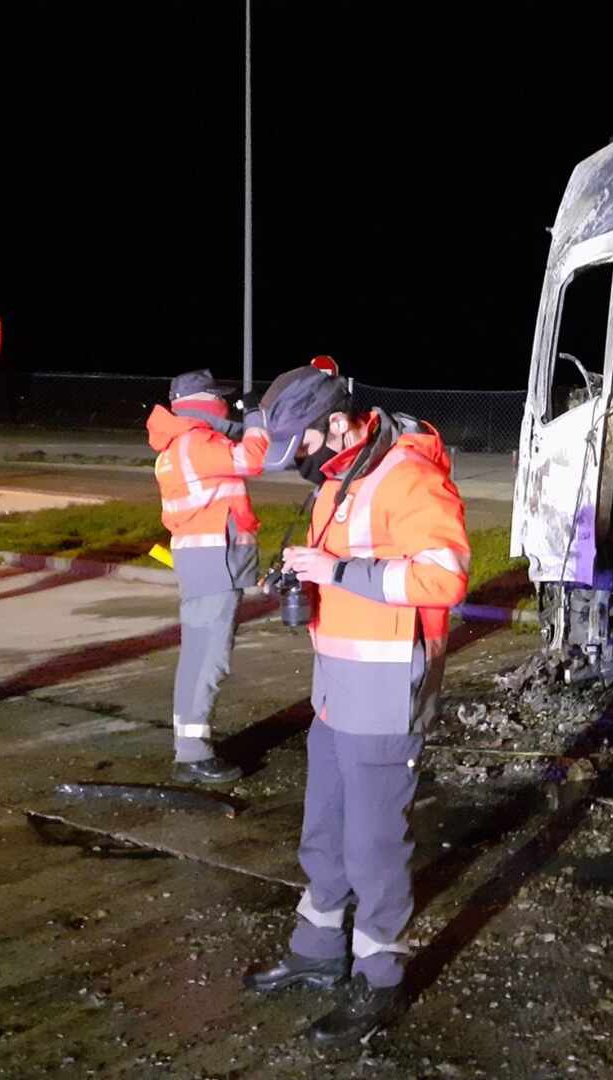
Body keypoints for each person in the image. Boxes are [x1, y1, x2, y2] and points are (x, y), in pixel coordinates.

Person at [242, 366, 470, 1048]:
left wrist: (338, 573)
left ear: (337, 423)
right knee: (325, 828)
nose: (300, 463)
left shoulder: (405, 474)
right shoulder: (342, 475)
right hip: (337, 687)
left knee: (373, 845)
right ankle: (316, 952)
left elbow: (446, 576)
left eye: (302, 448)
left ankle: (379, 980)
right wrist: (298, 576)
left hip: (384, 685)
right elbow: (337, 559)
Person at [146, 369, 268, 783]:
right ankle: (193, 755)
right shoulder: (198, 442)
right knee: (209, 661)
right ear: (202, 401)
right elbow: (253, 459)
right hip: (215, 561)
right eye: (219, 398)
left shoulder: (179, 442)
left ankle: (190, 746)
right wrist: (254, 419)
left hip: (202, 560)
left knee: (197, 658)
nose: (224, 404)